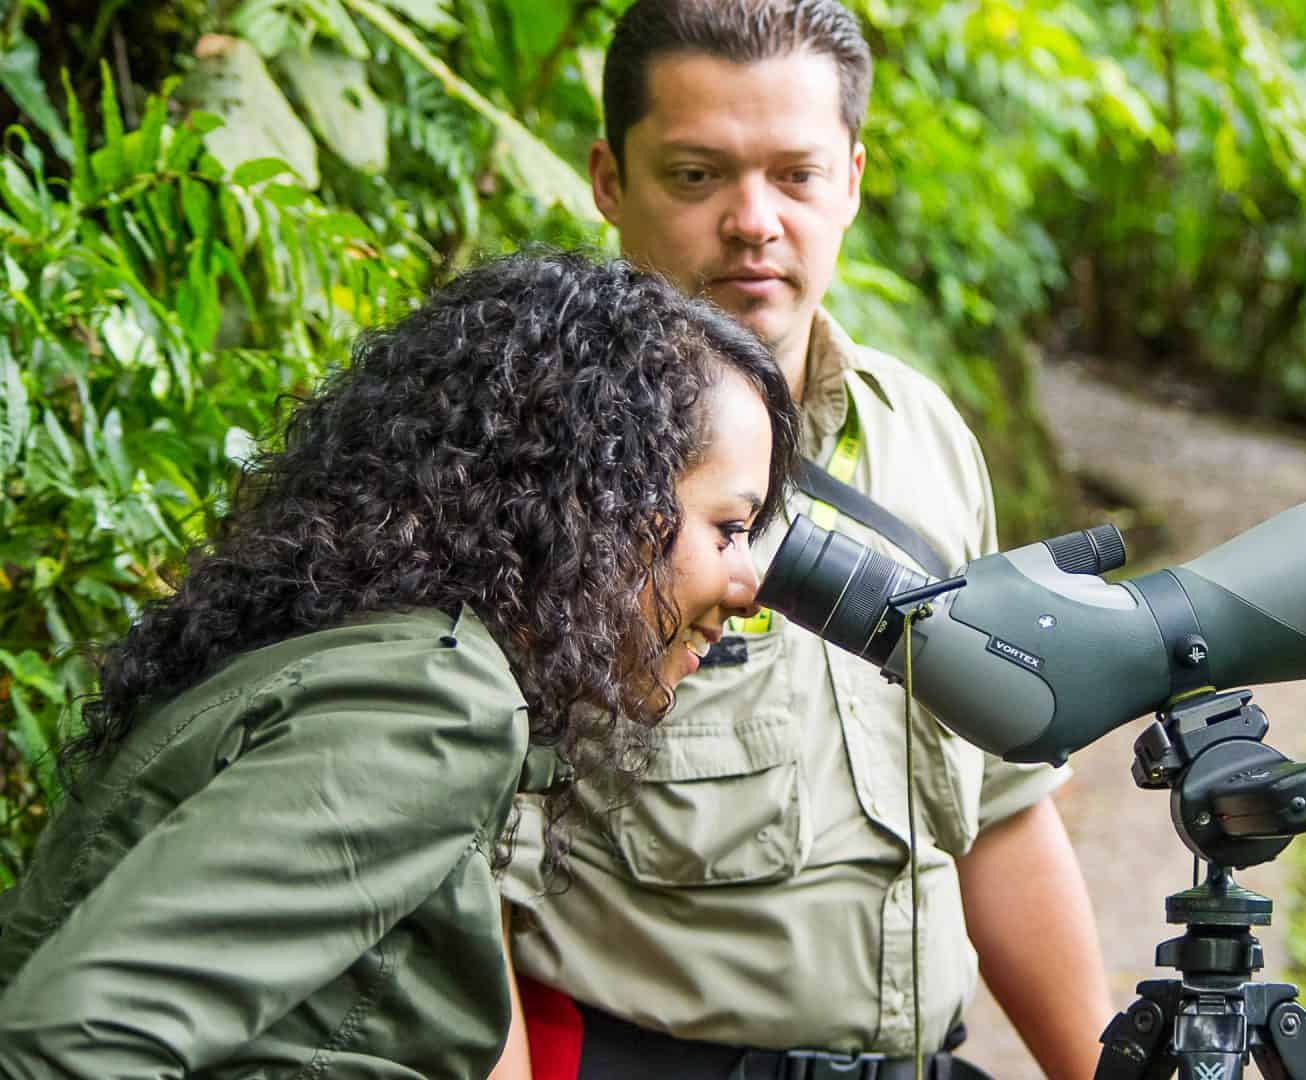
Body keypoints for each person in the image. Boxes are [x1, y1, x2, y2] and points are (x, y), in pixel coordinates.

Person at [0, 250, 797, 1078]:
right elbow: (70, 1043)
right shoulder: (433, 704)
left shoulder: (372, 652)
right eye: (728, 530)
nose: (748, 588)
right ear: (600, 499)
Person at [498, 3, 1111, 1078]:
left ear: (853, 180)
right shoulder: (525, 470)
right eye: (697, 175)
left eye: (797, 175)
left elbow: (1003, 814)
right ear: (608, 178)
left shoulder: (919, 436)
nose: (753, 221)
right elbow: (464, 891)